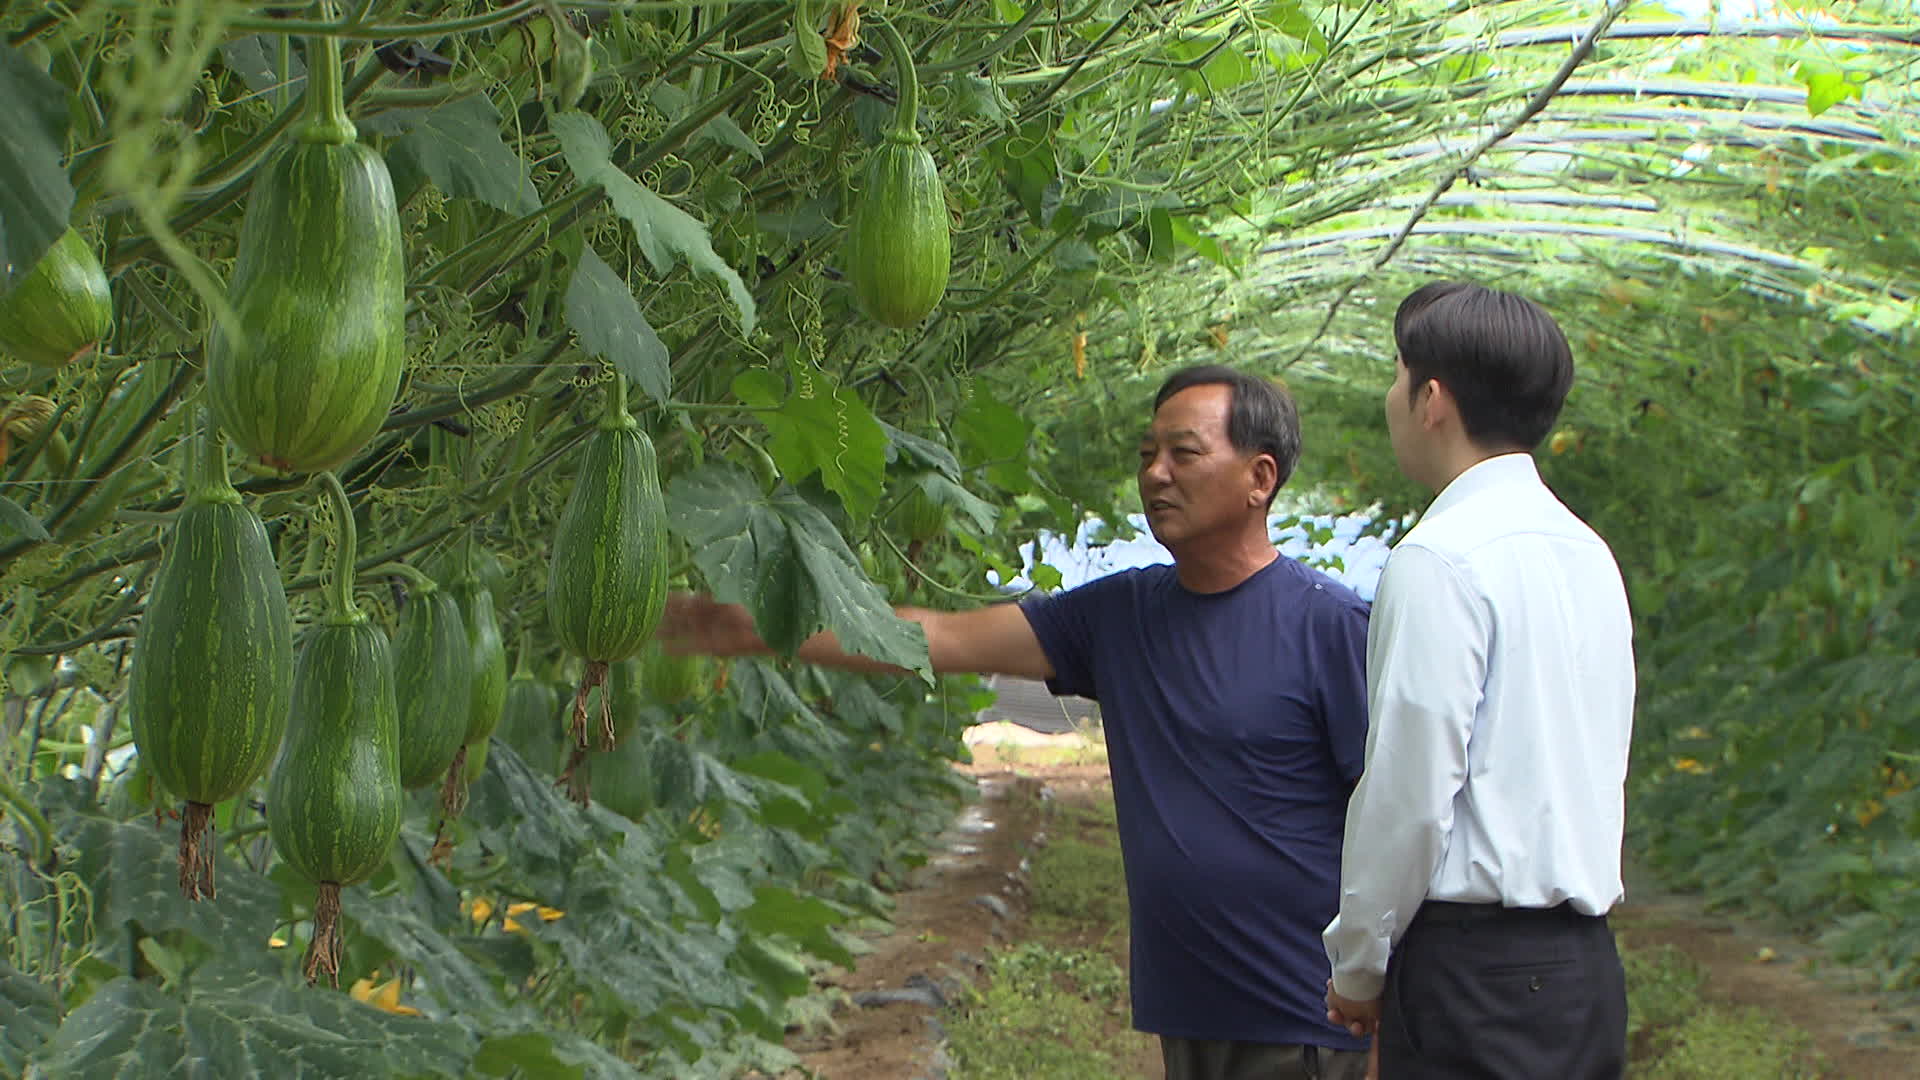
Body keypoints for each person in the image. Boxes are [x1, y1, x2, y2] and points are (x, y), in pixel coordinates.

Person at [660, 365, 1374, 1079]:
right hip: (1188, 1007)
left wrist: (1388, 1018)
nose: (1155, 474)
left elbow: (1398, 824)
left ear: (1260, 478)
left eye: (1183, 454)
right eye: (1145, 454)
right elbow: (938, 637)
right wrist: (747, 628)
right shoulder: (1119, 615)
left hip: (1309, 1016)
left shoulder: (1331, 628)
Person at [1321, 282, 1636, 1079]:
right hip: (1583, 971)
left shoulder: (1440, 557)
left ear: (1433, 398)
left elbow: (1409, 790)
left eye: (1398, 375)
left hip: (1473, 974)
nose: (1391, 397)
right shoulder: (1587, 553)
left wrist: (1359, 965)